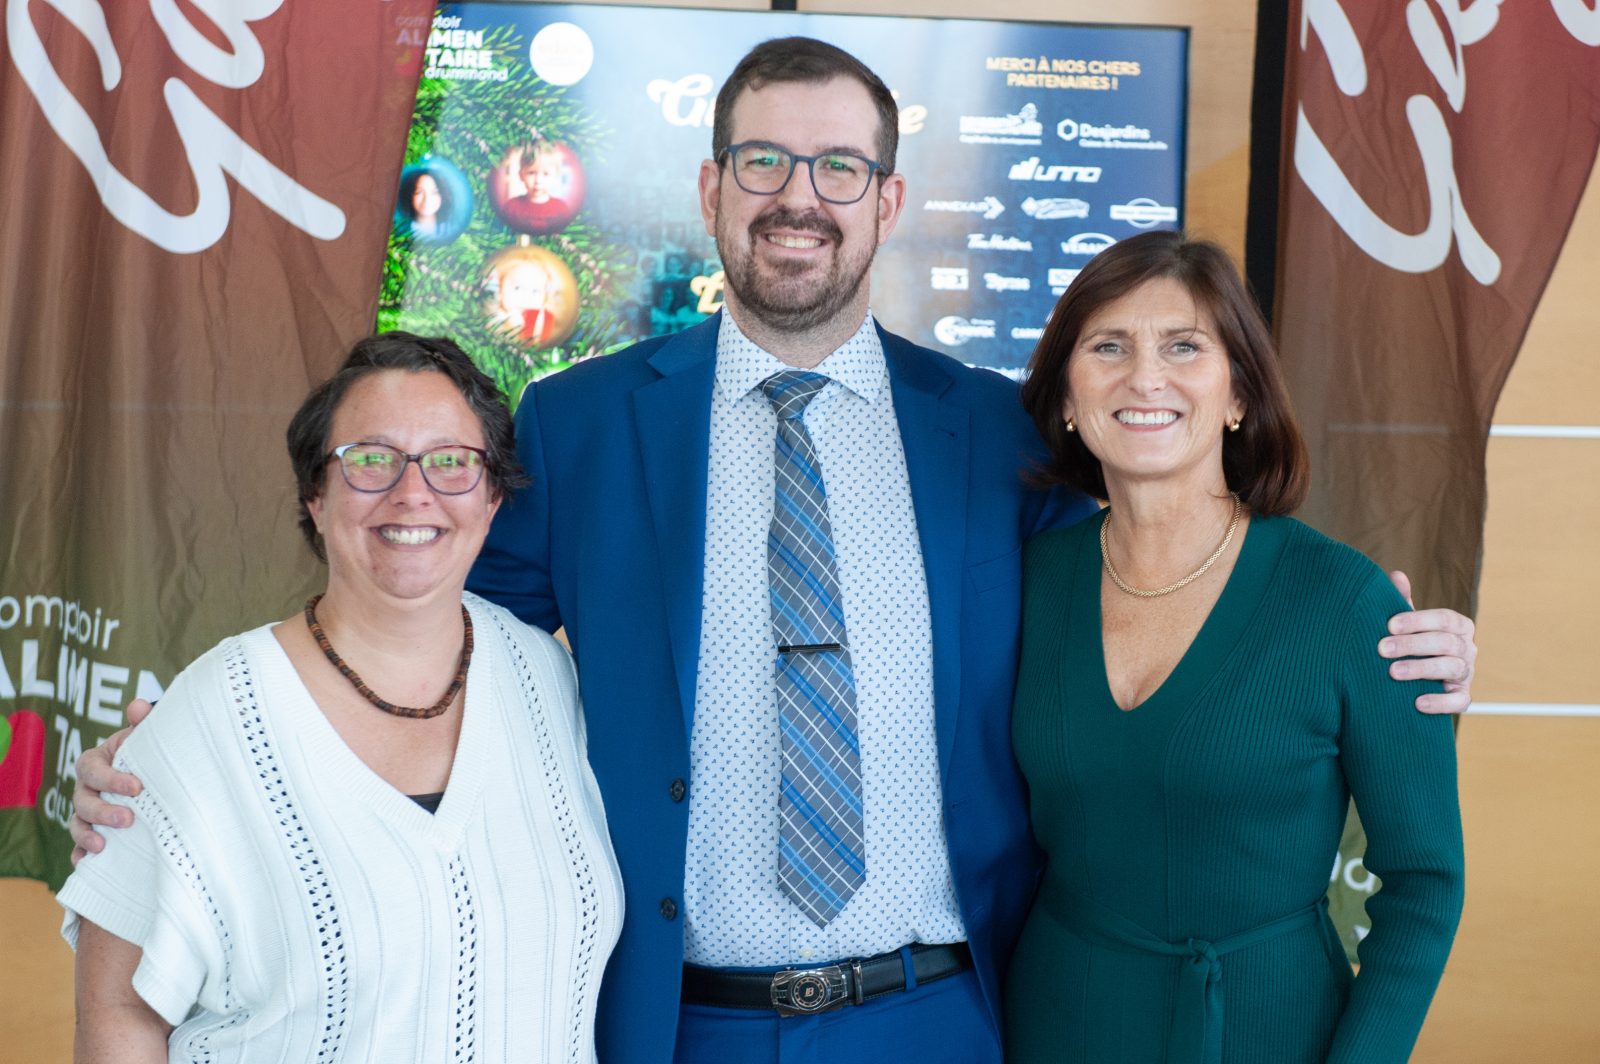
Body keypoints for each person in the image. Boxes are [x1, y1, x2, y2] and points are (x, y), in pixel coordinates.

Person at [72, 37, 1477, 1064]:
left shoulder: (997, 438)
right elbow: (412, 625)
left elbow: (1171, 559)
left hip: (945, 1013)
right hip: (676, 1020)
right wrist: (190, 777)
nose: (797, 195)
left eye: (838, 166)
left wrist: (1384, 633)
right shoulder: (578, 426)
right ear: (713, 185)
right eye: (764, 161)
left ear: (886, 198)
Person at [59, 334, 622, 1061]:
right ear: (315, 497)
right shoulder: (206, 720)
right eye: (370, 460)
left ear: (492, 499)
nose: (411, 492)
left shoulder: (554, 685)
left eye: (450, 462)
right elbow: (119, 1012)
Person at [1005, 231, 1464, 1062]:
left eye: (1184, 346)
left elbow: (1426, 884)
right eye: (1108, 346)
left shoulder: (1344, 601)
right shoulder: (1022, 586)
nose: (1145, 377)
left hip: (1267, 1026)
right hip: (1054, 1021)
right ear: (1067, 400)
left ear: (1238, 395)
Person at [493, 140, 579, 234]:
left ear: (555, 176)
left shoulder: (561, 209)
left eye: (545, 174)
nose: (538, 180)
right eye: (531, 173)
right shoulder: (511, 208)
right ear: (521, 175)